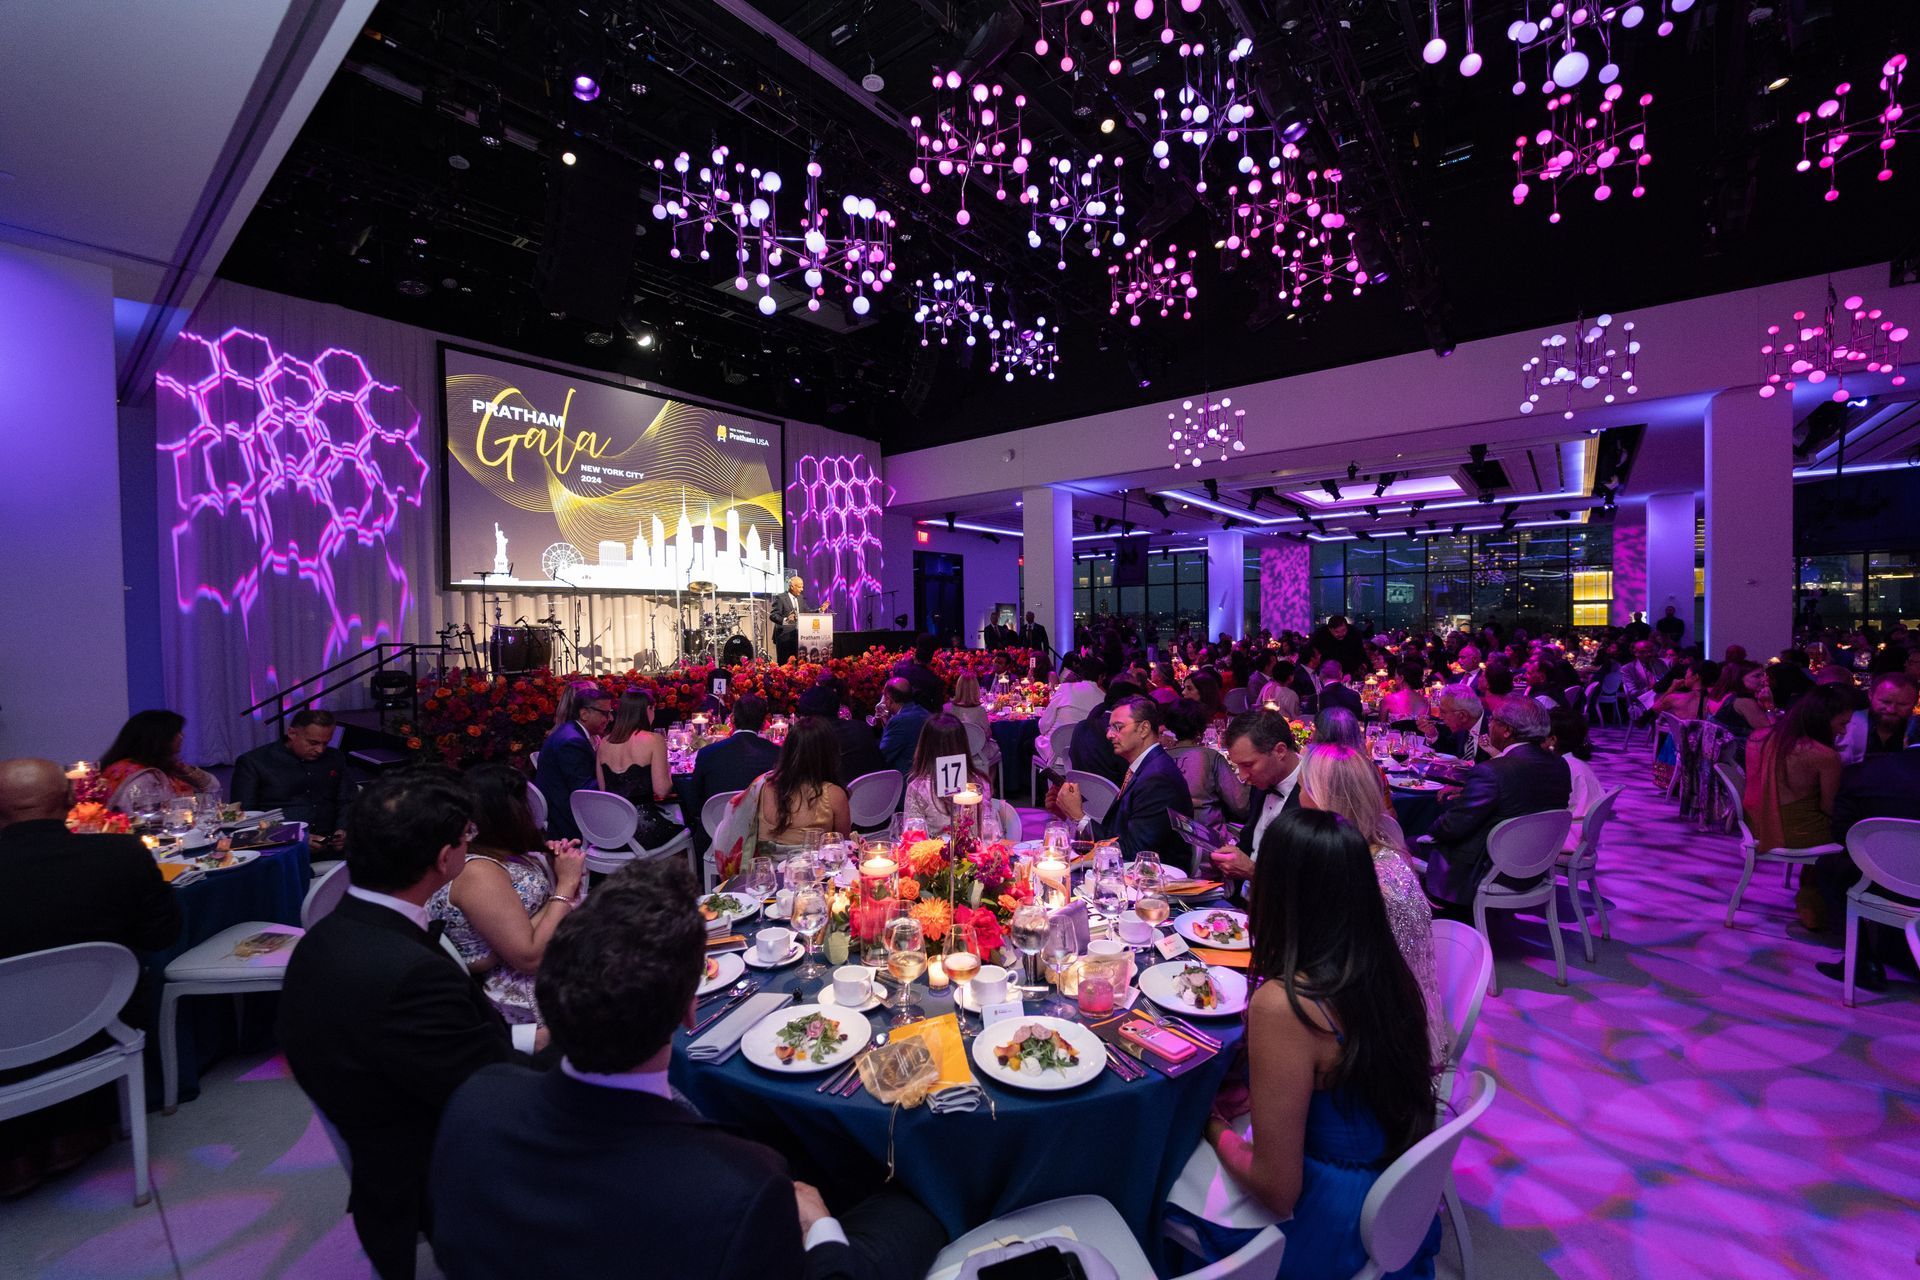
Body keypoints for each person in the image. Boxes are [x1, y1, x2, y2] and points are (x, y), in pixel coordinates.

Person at [428, 858, 946, 1280]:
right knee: (919, 1205)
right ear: (690, 1009)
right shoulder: (739, 1185)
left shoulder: (475, 1101)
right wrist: (821, 1228)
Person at [279, 770, 542, 1279]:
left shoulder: (328, 935)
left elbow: (448, 1048)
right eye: (465, 839)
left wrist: (542, 1034)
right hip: (441, 1152)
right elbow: (490, 1088)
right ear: (445, 859)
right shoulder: (407, 973)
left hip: (402, 1106)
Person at [1165, 809, 1440, 1277]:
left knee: (1160, 1179)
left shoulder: (1285, 1005)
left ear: (1278, 892)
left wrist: (1209, 1126)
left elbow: (1277, 1188)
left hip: (1329, 1222)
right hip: (1391, 1196)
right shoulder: (1384, 965)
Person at [0, 758, 182, 1196]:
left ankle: (16, 1157)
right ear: (69, 800)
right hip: (97, 1025)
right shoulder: (120, 855)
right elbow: (162, 935)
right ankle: (76, 1131)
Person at [1295, 746, 1441, 1068]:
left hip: (1378, 1047)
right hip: (1396, 1018)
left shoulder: (1364, 877)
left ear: (1322, 797)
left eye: (1304, 786)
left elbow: (1333, 974)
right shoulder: (1382, 849)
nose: (1299, 796)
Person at [428, 764, 586, 1026]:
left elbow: (527, 925)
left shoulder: (496, 853)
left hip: (537, 957)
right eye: (522, 805)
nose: (528, 813)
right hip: (515, 990)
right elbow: (530, 957)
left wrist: (553, 866)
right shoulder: (476, 871)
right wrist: (566, 885)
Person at [1418, 698, 1572, 910]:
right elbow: (1521, 799)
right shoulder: (1559, 764)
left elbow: (1453, 826)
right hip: (1536, 867)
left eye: (1493, 721)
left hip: (1487, 871)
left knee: (1403, 844)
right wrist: (1468, 793)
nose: (1489, 725)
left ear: (1507, 730)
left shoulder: (1494, 770)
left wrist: (1425, 825)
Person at [1052, 695, 1194, 866]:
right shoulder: (1146, 766)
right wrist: (1068, 813)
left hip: (1156, 879)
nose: (1109, 735)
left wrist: (1078, 816)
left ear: (1144, 729)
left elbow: (1133, 851)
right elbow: (1119, 834)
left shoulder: (1157, 778)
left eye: (1117, 727)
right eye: (1109, 727)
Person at [1742, 686, 1850, 872]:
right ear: (1823, 719)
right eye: (1842, 724)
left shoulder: (1757, 737)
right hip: (1792, 833)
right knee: (1859, 837)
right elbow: (1829, 808)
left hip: (1753, 825)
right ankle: (1820, 894)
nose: (1844, 732)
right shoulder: (1823, 755)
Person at [1207, 710, 1305, 884]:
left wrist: (1253, 872)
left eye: (1248, 765)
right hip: (1242, 900)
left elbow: (1309, 882)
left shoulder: (1312, 792)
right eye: (1238, 766)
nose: (1242, 777)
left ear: (1280, 751)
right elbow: (1249, 844)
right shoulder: (1262, 782)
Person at [230, 708, 347, 848]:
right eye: (313, 743)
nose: (320, 750)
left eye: (325, 743)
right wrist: (293, 836)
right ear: (292, 733)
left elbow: (347, 800)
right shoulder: (255, 762)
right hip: (280, 847)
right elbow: (243, 819)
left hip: (331, 845)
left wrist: (344, 829)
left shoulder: (334, 758)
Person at [688, 694, 780, 850]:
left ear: (733, 720)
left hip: (715, 833)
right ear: (764, 723)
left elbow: (694, 803)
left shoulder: (708, 753)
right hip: (762, 834)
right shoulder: (776, 753)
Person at [594, 689, 681, 850]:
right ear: (648, 709)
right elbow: (662, 790)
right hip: (643, 830)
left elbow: (603, 790)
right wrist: (669, 770)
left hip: (612, 831)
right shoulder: (653, 740)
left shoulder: (604, 743)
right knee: (688, 825)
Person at [751, 716, 850, 853]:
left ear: (787, 750)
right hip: (816, 873)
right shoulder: (834, 796)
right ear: (829, 754)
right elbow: (841, 847)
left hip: (766, 872)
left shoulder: (761, 787)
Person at [99, 709, 220, 814]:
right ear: (160, 739)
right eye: (177, 733)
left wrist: (185, 770)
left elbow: (213, 788)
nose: (182, 736)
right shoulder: (140, 777)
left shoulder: (166, 766)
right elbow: (140, 818)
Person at [533, 681, 611, 842]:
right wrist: (617, 774)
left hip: (562, 809)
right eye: (604, 713)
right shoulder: (572, 742)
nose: (609, 718)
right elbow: (584, 793)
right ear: (584, 714)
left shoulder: (570, 731)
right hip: (567, 822)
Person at [1165, 697, 1251, 832]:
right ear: (1202, 727)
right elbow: (1241, 806)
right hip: (1206, 839)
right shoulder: (1210, 757)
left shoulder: (1160, 758)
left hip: (1169, 836)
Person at [903, 714, 994, 837]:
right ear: (963, 744)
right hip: (946, 852)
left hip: (961, 853)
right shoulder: (979, 782)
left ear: (925, 747)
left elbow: (912, 836)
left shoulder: (918, 787)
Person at [797, 685, 887, 786]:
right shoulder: (862, 727)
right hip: (878, 793)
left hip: (836, 797)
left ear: (805, 713)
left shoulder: (813, 737)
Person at [1835, 671, 1918, 764]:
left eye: (1902, 704)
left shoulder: (1916, 731)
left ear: (1914, 703)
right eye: (1885, 702)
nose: (1891, 710)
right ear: (1870, 695)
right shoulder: (1843, 724)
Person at [1546, 705, 1603, 819]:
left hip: (1567, 830)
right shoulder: (1576, 763)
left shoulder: (1563, 769)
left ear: (1553, 739)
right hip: (1576, 825)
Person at [943, 672, 1003, 779]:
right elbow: (987, 735)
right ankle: (990, 787)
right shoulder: (980, 711)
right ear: (976, 689)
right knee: (996, 750)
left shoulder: (946, 708)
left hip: (952, 751)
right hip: (976, 753)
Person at [874, 678, 931, 777]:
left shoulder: (899, 721)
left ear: (889, 699)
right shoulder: (925, 713)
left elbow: (882, 757)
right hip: (924, 774)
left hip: (903, 780)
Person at [1415, 685, 1487, 761]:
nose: (1440, 717)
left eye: (1443, 712)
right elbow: (1451, 751)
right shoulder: (1462, 726)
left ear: (1462, 716)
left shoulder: (1494, 731)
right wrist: (1432, 734)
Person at [1709, 661, 1772, 740]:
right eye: (1757, 676)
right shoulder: (1743, 701)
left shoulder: (1727, 695)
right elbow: (1769, 731)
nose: (1763, 679)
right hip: (1741, 749)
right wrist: (1769, 705)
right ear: (1739, 678)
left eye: (1763, 675)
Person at [891, 635, 946, 710]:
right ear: (931, 657)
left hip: (898, 715)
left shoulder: (899, 668)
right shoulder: (935, 681)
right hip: (922, 720)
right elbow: (937, 711)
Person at [771, 574, 808, 664]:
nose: (802, 589)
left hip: (798, 636)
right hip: (784, 637)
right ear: (792, 587)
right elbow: (773, 615)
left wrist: (819, 610)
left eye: (802, 587)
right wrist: (786, 620)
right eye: (799, 587)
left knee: (797, 664)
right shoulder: (780, 598)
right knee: (785, 665)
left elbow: (807, 611)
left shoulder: (800, 598)